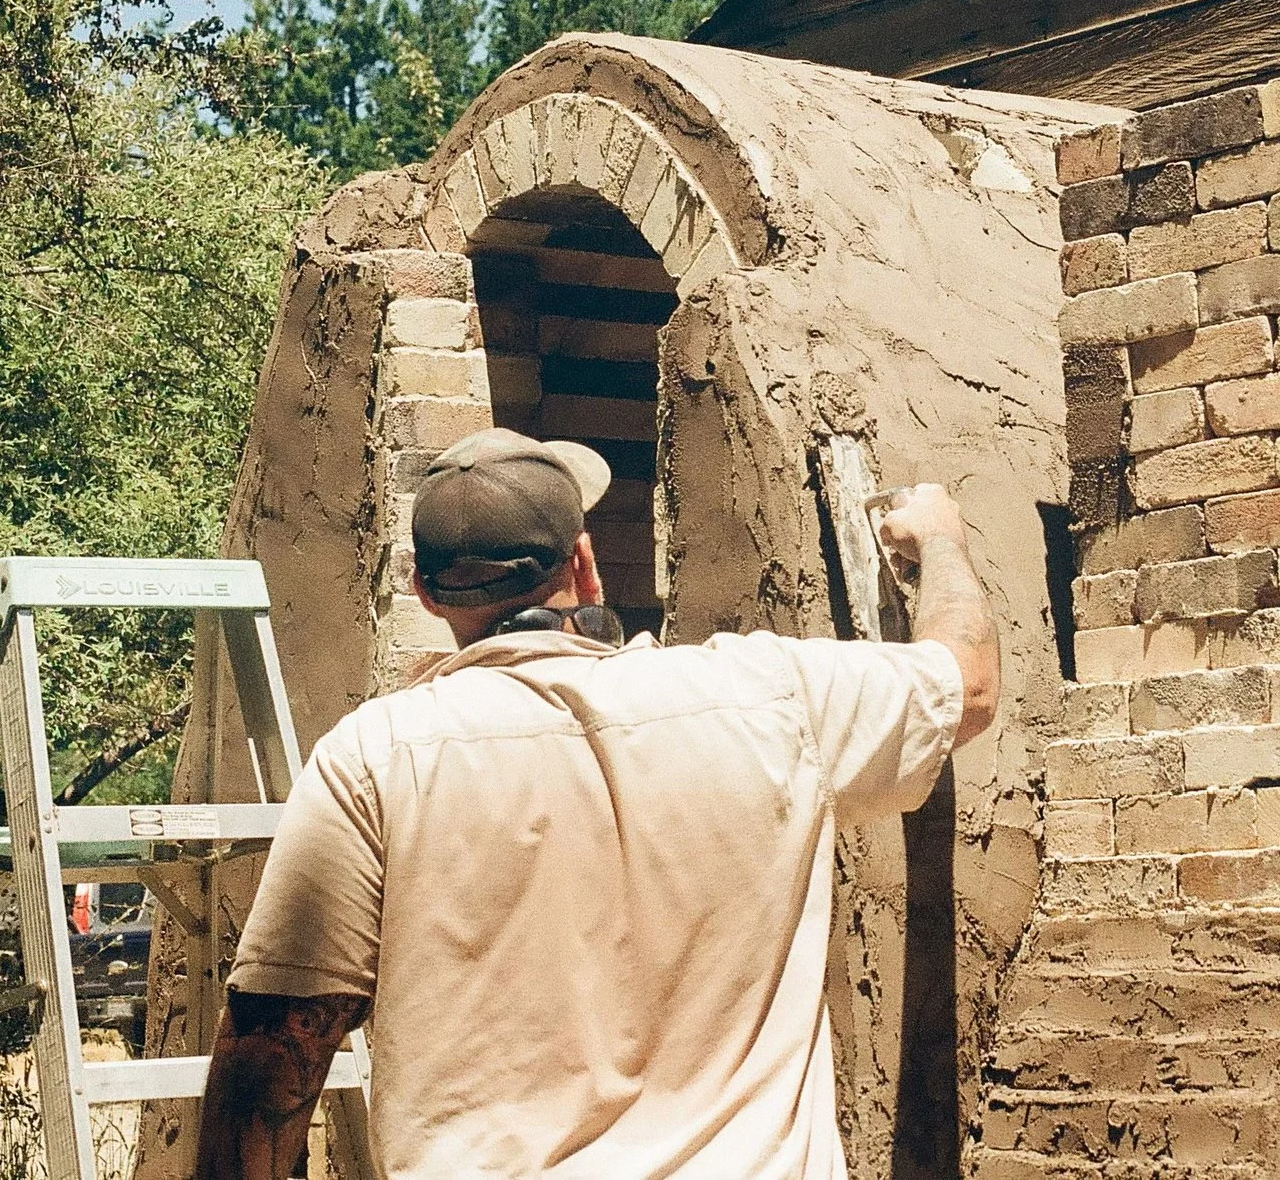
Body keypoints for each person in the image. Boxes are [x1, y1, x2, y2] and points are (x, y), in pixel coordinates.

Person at [193, 427, 1000, 1180]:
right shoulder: (769, 695)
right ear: (583, 563)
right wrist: (940, 543)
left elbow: (270, 1061)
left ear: (427, 593)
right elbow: (967, 683)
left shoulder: (375, 758)